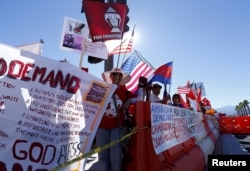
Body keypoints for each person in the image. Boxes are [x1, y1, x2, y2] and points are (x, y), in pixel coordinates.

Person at [92, 68, 135, 171]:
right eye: (115, 74)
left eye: (120, 75)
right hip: (101, 126)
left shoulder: (125, 91)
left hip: (117, 127)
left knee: (116, 155)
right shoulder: (103, 88)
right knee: (103, 156)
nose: (117, 76)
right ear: (110, 76)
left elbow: (139, 98)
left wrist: (130, 100)